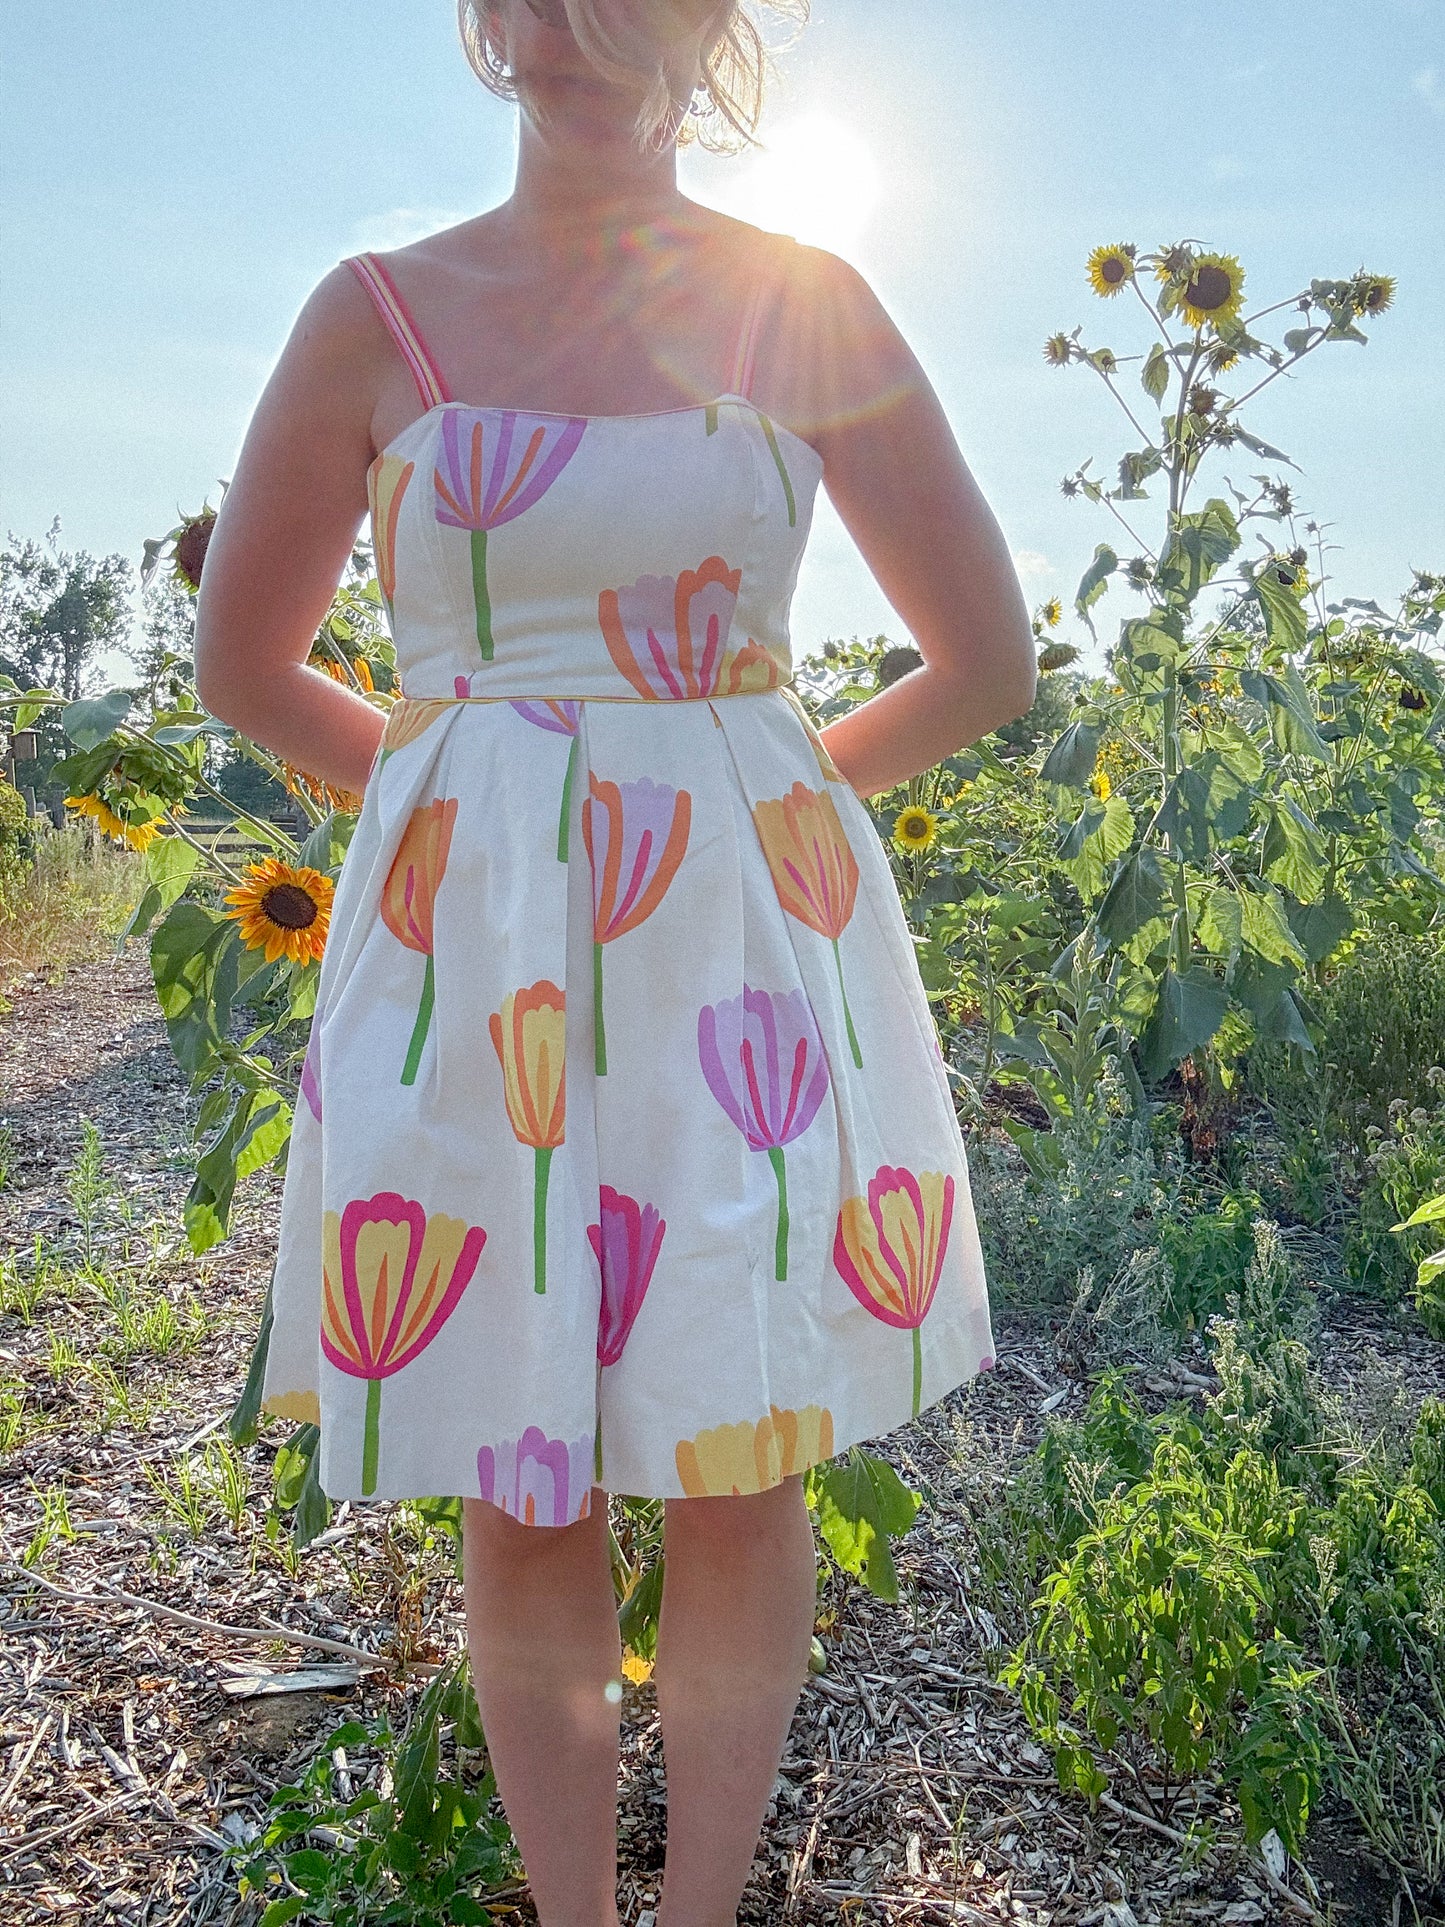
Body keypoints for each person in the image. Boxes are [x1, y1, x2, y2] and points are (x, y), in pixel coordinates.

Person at [194, 3, 1036, 1922]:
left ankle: (701, 1909)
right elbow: (242, 665)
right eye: (550, 7)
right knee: (524, 1460)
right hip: (473, 950)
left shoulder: (805, 299)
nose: (591, 44)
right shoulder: (376, 315)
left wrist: (749, 806)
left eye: (641, 10)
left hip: (735, 945)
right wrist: (457, 813)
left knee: (740, 1454)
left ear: (706, 38)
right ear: (491, 27)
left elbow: (984, 656)